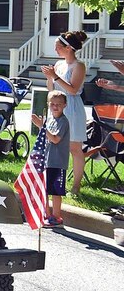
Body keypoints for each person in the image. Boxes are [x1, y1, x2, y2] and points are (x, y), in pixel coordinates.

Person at [42, 30, 89, 196]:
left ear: (68, 48)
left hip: (73, 108)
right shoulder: (59, 64)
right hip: (57, 107)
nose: (56, 50)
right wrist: (49, 78)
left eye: (58, 47)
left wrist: (54, 76)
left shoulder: (79, 66)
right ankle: (55, 180)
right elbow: (52, 89)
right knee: (56, 145)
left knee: (75, 148)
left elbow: (74, 89)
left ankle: (76, 185)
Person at [32, 90, 71, 227]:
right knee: (46, 189)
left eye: (59, 104)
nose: (55, 106)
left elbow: (55, 139)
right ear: (48, 104)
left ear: (65, 105)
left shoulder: (63, 122)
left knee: (55, 191)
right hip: (47, 160)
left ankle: (57, 216)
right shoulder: (50, 119)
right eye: (52, 104)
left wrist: (41, 126)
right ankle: (46, 214)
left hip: (58, 162)